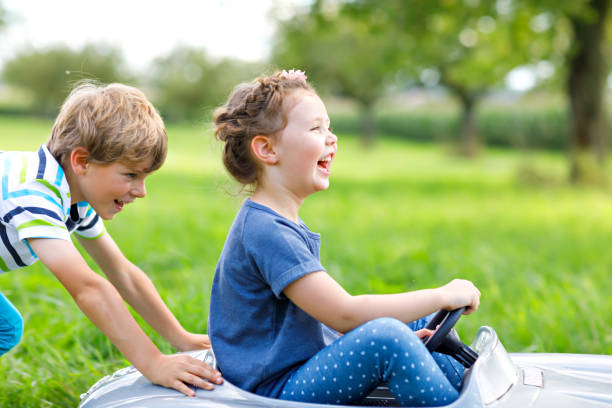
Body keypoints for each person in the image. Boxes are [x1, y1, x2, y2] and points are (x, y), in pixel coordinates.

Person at [208, 70, 481, 407]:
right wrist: (443, 294)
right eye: (315, 128)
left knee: (416, 321)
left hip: (297, 369)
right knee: (386, 339)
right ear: (267, 149)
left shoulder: (277, 221)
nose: (331, 138)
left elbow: (318, 323)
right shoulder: (266, 231)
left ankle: (474, 394)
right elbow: (344, 313)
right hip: (274, 390)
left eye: (330, 127)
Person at [0, 82, 222, 396]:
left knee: (4, 329)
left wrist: (180, 337)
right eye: (131, 175)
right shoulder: (33, 192)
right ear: (82, 162)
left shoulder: (74, 198)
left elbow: (122, 273)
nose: (141, 191)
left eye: (145, 177)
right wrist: (153, 363)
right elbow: (88, 287)